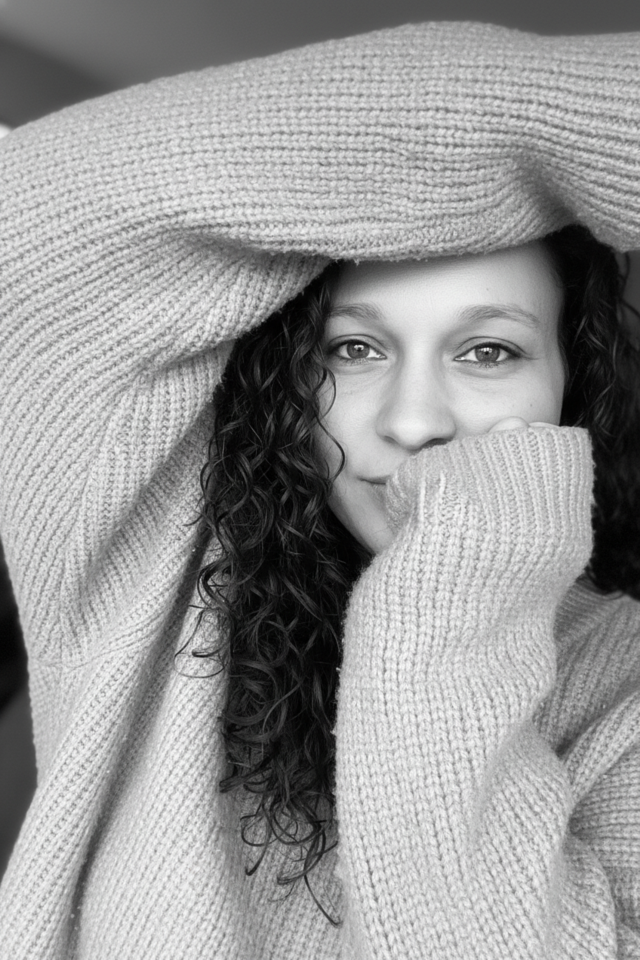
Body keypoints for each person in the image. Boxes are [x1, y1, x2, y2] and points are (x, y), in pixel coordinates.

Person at [0, 19, 638, 960]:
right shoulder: (152, 570)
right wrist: (553, 138)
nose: (414, 421)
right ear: (287, 381)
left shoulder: (626, 686)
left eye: (489, 351)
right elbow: (36, 197)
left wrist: (456, 594)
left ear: (571, 383)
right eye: (353, 348)